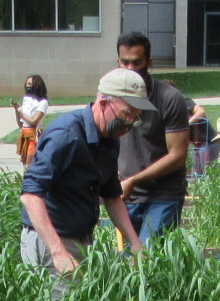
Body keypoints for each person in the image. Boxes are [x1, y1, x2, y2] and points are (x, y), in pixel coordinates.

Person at [19, 67, 149, 288]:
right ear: (103, 102)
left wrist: (136, 245)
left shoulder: (110, 140)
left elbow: (112, 196)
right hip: (50, 240)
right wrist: (58, 251)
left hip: (82, 240)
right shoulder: (66, 134)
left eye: (135, 118)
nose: (128, 124)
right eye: (127, 113)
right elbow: (30, 195)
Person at [112, 32, 192, 243]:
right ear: (117, 61)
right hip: (126, 196)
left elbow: (178, 156)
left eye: (137, 62)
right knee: (126, 265)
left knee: (147, 259)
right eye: (125, 62)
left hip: (163, 197)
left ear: (149, 62)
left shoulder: (169, 98)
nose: (130, 69)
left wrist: (134, 179)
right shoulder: (112, 97)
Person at [13, 74, 49, 166]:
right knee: (24, 163)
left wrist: (21, 113)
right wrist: (17, 111)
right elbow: (21, 124)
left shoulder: (42, 102)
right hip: (24, 135)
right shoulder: (26, 100)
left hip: (33, 136)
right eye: (27, 84)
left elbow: (33, 121)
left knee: (28, 166)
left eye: (29, 84)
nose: (27, 86)